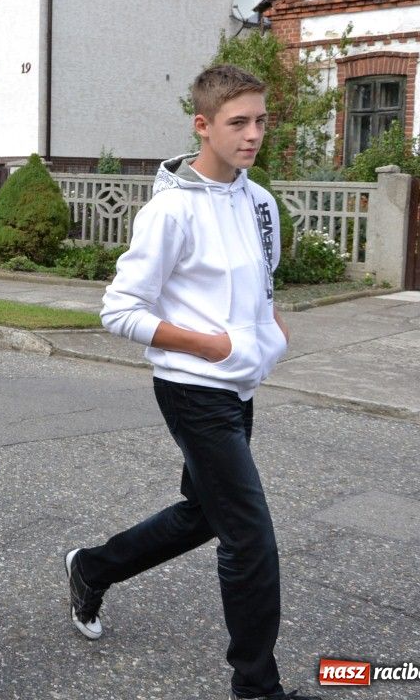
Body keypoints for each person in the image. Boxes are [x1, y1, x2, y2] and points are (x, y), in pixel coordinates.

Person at [66, 66, 319, 700]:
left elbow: (263, 286)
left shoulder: (259, 201)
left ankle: (91, 568)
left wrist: (270, 337)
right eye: (238, 122)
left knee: (206, 515)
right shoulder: (169, 211)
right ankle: (257, 686)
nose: (254, 133)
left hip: (240, 385)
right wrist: (210, 344)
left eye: (261, 120)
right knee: (250, 536)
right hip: (192, 387)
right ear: (202, 126)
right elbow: (118, 310)